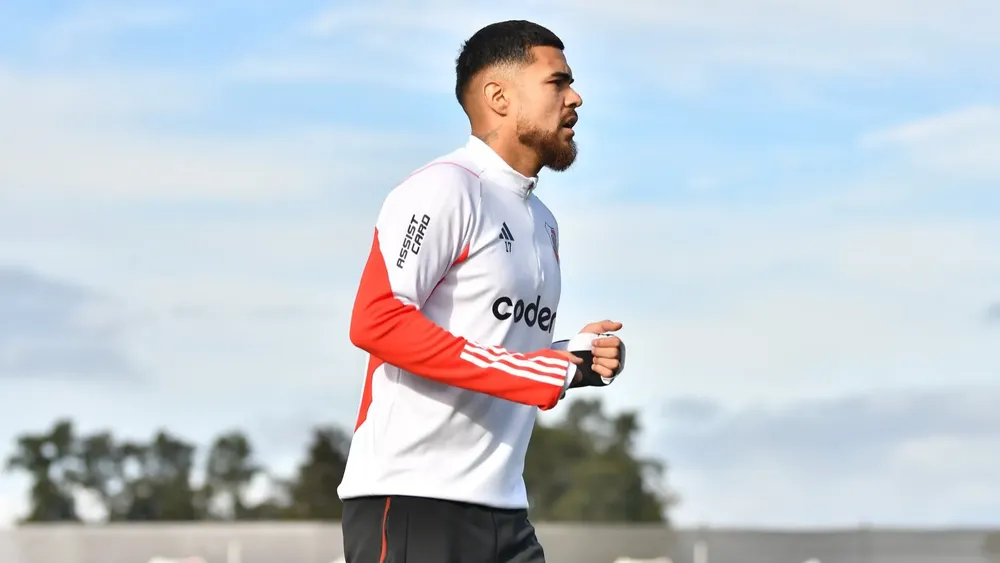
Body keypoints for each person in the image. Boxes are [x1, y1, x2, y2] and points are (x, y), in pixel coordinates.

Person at [338, 19, 628, 563]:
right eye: (557, 82)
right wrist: (540, 373)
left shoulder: (543, 222)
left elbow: (493, 344)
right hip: (413, 501)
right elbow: (377, 321)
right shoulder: (444, 188)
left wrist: (571, 357)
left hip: (505, 510)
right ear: (498, 96)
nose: (576, 98)